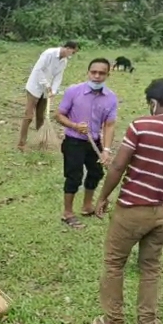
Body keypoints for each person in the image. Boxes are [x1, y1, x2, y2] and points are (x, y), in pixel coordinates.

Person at [92, 79, 163, 324]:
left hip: (131, 210)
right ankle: (148, 322)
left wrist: (103, 196)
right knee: (150, 268)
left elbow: (118, 166)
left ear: (153, 103)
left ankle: (113, 321)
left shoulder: (141, 126)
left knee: (113, 263)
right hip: (162, 215)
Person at [55, 58, 118, 229]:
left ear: (107, 75)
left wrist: (106, 150)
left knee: (96, 173)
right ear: (88, 72)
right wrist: (75, 125)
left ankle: (87, 206)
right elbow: (59, 115)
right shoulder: (73, 91)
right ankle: (67, 213)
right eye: (94, 72)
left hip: (94, 142)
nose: (97, 76)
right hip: (73, 141)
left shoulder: (111, 98)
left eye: (101, 73)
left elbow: (109, 125)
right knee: (73, 176)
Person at [18, 41, 79, 151]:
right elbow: (38, 70)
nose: (71, 55)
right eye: (72, 52)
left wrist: (54, 91)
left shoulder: (64, 61)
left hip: (47, 91)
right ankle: (21, 143)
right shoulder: (48, 54)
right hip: (35, 87)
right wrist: (46, 84)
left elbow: (58, 76)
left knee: (41, 117)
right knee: (28, 116)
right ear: (67, 48)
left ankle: (41, 140)